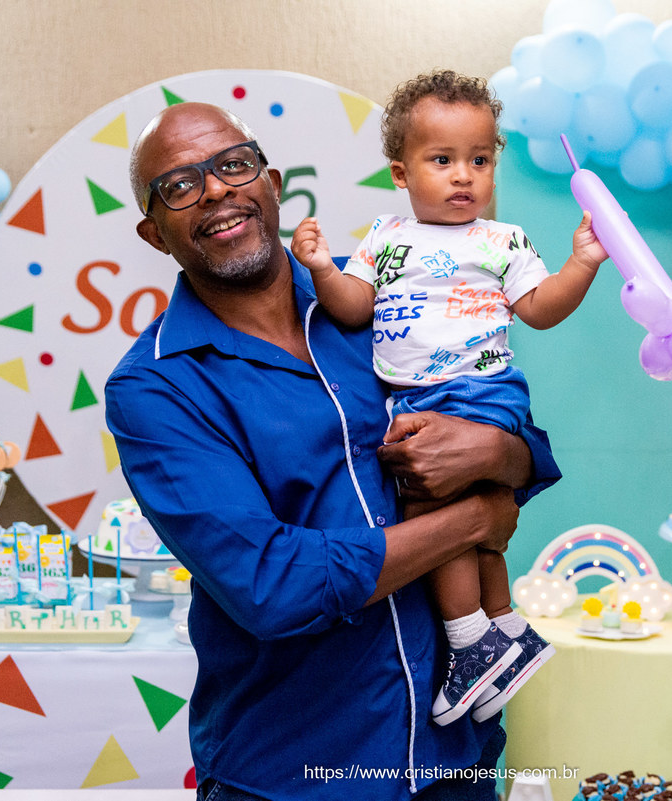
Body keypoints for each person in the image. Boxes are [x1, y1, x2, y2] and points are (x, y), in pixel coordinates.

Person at [105, 100, 561, 801]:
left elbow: (517, 441)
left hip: (454, 759)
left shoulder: (379, 294)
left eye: (234, 165)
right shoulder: (156, 387)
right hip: (294, 774)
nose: (217, 189)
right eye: (180, 185)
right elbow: (272, 584)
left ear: (271, 183)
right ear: (154, 233)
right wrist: (475, 519)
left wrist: (498, 455)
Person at [291, 70, 607, 726]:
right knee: (462, 515)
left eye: (480, 160)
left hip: (480, 390)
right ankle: (506, 628)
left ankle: (469, 642)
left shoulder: (502, 241)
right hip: (416, 396)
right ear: (401, 174)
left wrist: (581, 264)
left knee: (430, 505)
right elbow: (352, 308)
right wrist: (322, 269)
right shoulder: (385, 238)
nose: (464, 176)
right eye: (442, 160)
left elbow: (540, 308)